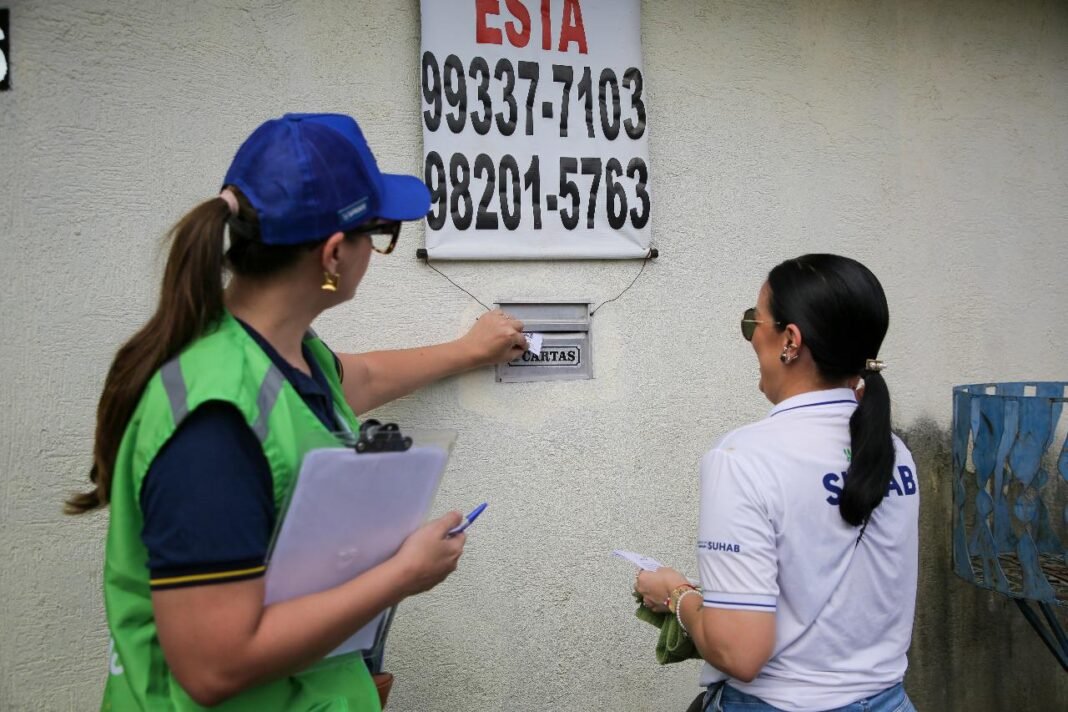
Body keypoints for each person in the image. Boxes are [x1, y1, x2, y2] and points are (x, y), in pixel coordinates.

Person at [66, 113, 527, 711]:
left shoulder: (284, 355)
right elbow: (214, 666)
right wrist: (401, 574)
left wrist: (470, 350)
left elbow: (361, 378)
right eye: (379, 234)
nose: (377, 253)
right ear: (335, 253)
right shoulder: (214, 419)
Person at [635, 254, 919, 712]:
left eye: (753, 323)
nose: (750, 337)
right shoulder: (893, 452)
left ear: (790, 340)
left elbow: (739, 653)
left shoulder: (743, 458)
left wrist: (675, 594)